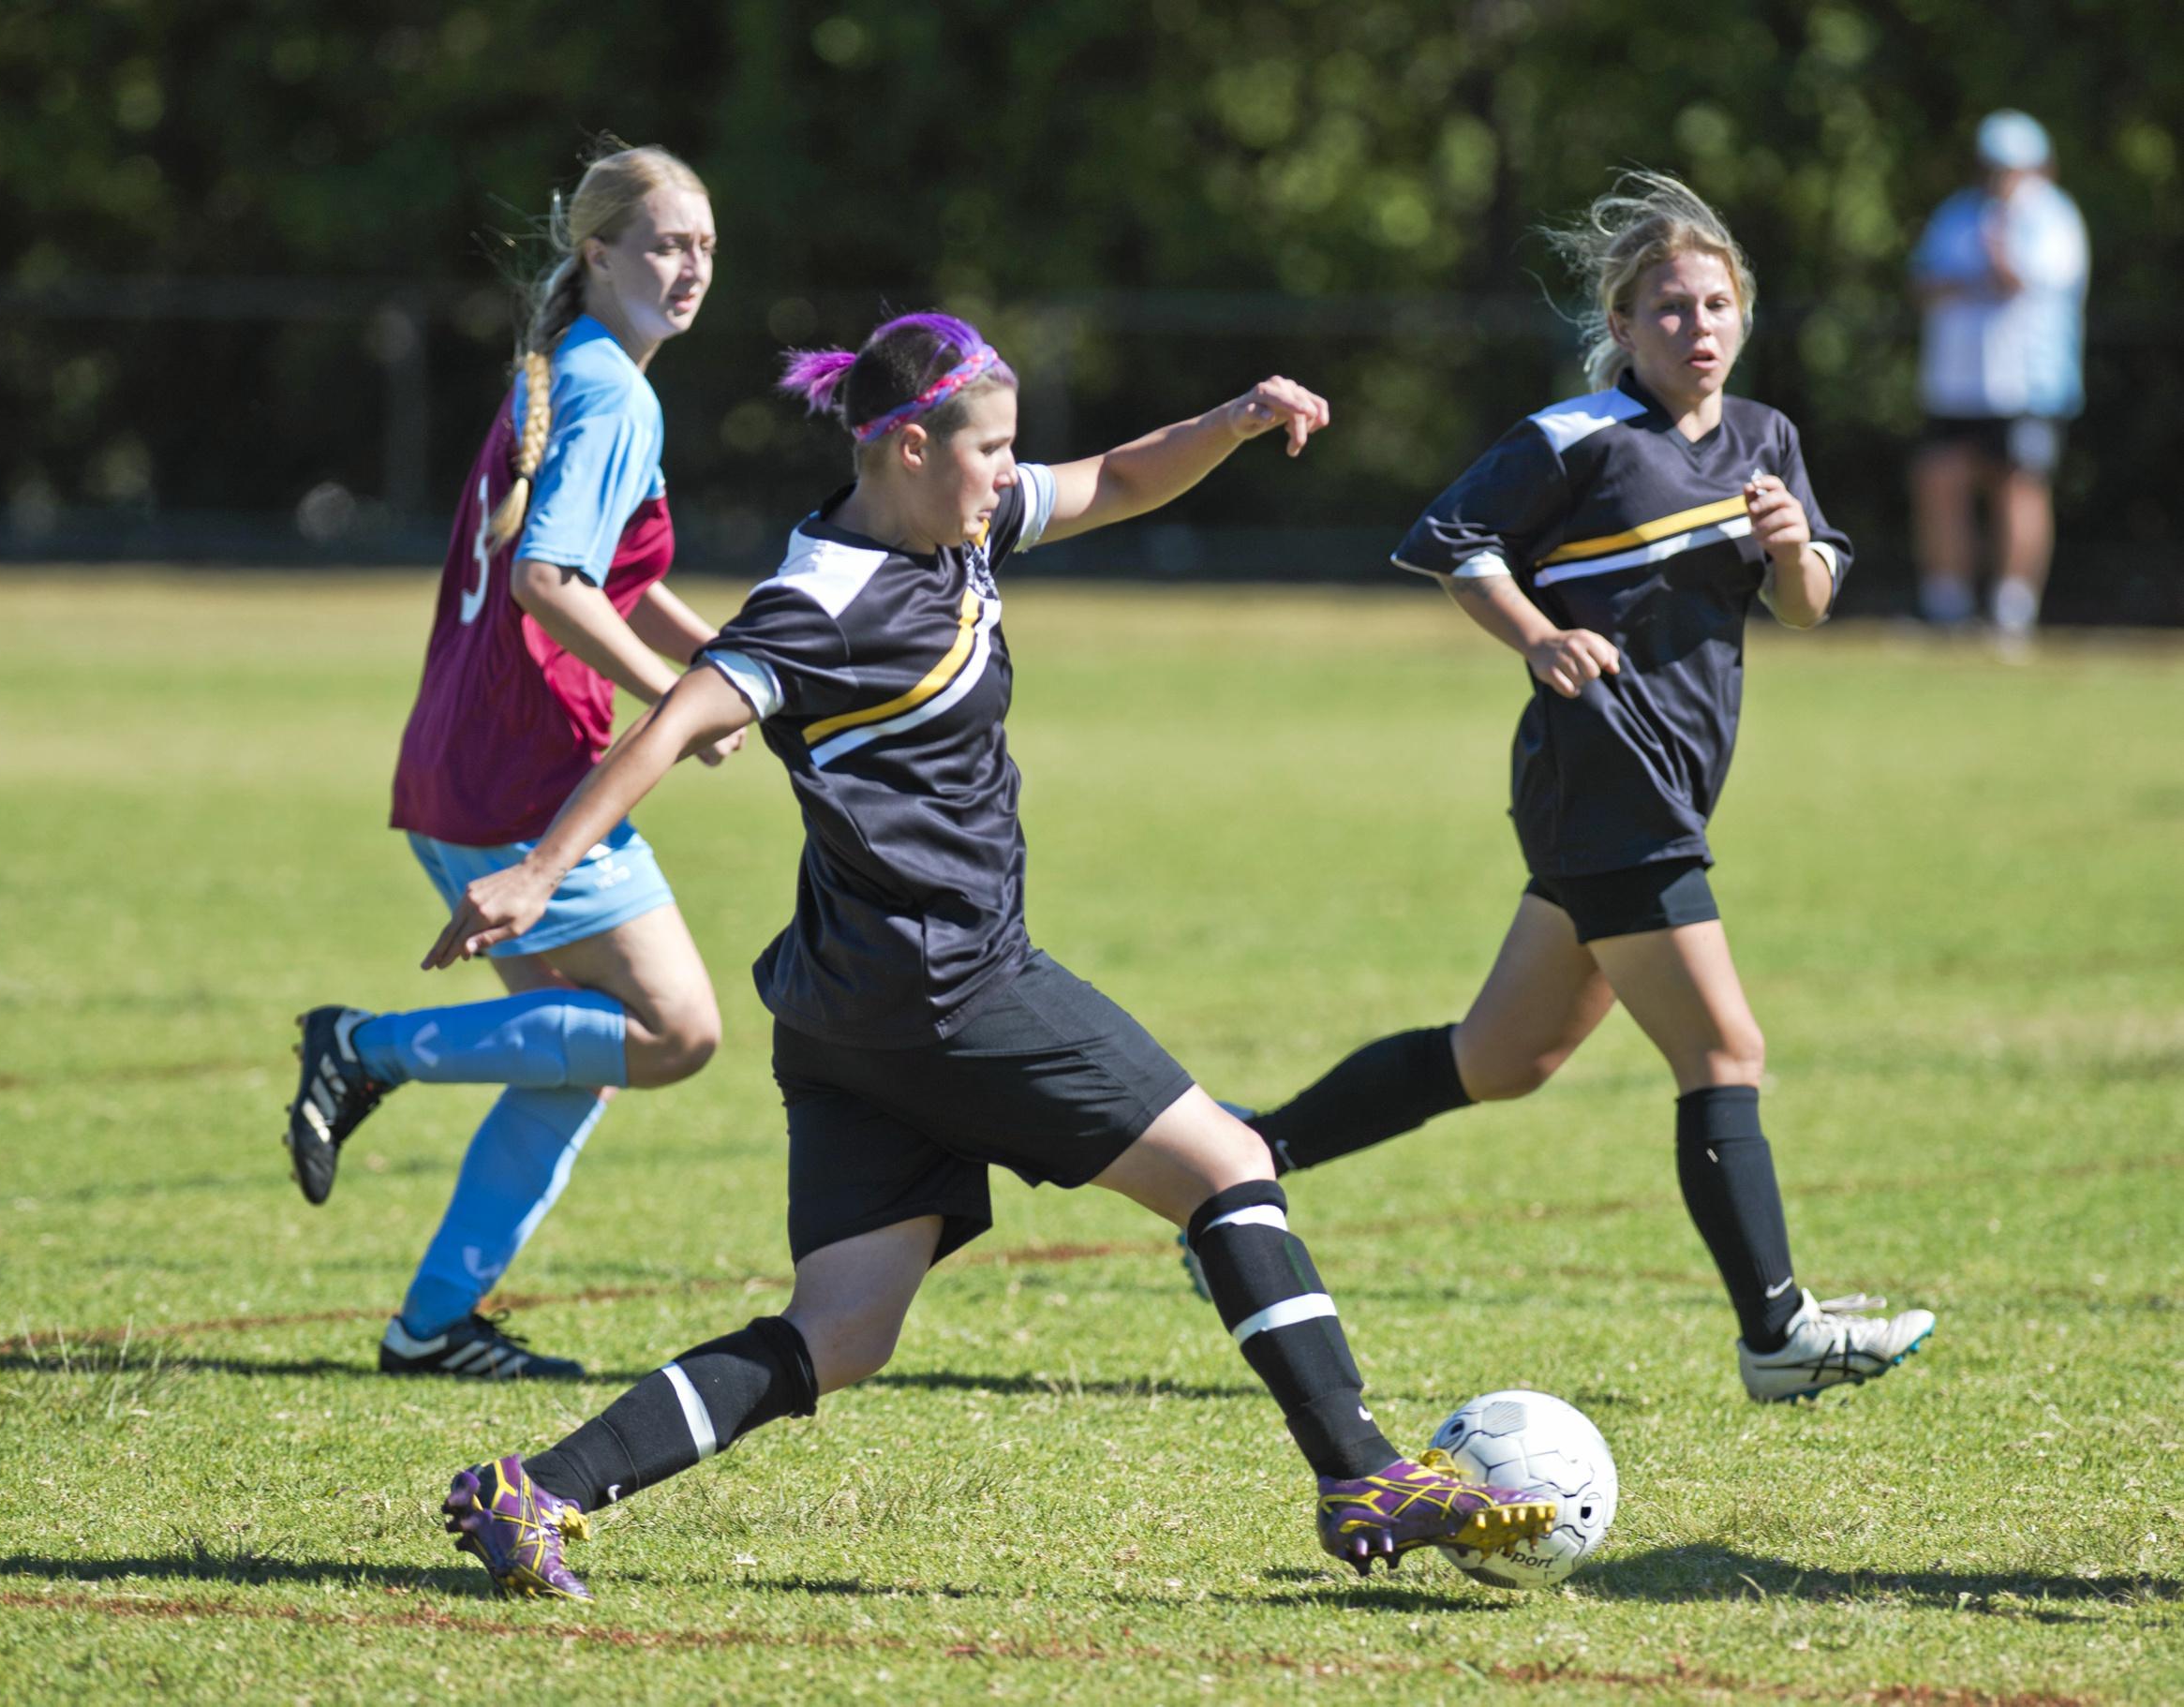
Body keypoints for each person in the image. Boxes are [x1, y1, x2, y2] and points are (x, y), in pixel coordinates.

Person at [423, 311, 1556, 1598]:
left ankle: (541, 1488)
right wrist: (539, 868)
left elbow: (1119, 479)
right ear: (908, 445)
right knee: (1229, 1164)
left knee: (840, 1329)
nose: (1014, 474)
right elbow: (677, 717)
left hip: (849, 1014)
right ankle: (1360, 1464)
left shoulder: (958, 528)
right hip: (951, 987)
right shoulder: (823, 602)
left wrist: (1230, 423)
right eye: (994, 450)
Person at [1195, 174, 1935, 1404]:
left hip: (1665, 789)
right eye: (1666, 309)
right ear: (1624, 323)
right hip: (1605, 777)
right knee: (1723, 1049)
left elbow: (1807, 604)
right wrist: (1535, 632)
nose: (1695, 327)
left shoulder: (1765, 442)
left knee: (1502, 1057)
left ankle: (1235, 1157)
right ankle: (1776, 1331)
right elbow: (1447, 541)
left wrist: (1791, 546)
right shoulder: (1574, 435)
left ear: (1741, 315)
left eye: (1713, 305)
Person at [283, 141, 744, 1382]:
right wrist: (682, 702)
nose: (690, 265)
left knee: (579, 1049)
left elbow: (620, 583)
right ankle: (364, 1046)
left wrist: (736, 669)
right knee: (675, 1030)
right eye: (663, 243)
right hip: (520, 765)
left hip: (460, 752)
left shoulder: (579, 373)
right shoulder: (614, 392)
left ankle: (432, 1323)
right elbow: (549, 582)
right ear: (596, 255)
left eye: (703, 243)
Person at [1909, 110, 2090, 641]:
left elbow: (2019, 280)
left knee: (2019, 486)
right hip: (1957, 381)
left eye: (2011, 168)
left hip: (2025, 383)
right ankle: (1947, 605)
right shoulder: (1956, 214)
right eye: (1992, 167)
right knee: (1940, 480)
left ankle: (2013, 611)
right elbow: (1925, 284)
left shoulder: (2054, 219)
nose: (2000, 179)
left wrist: (1996, 250)